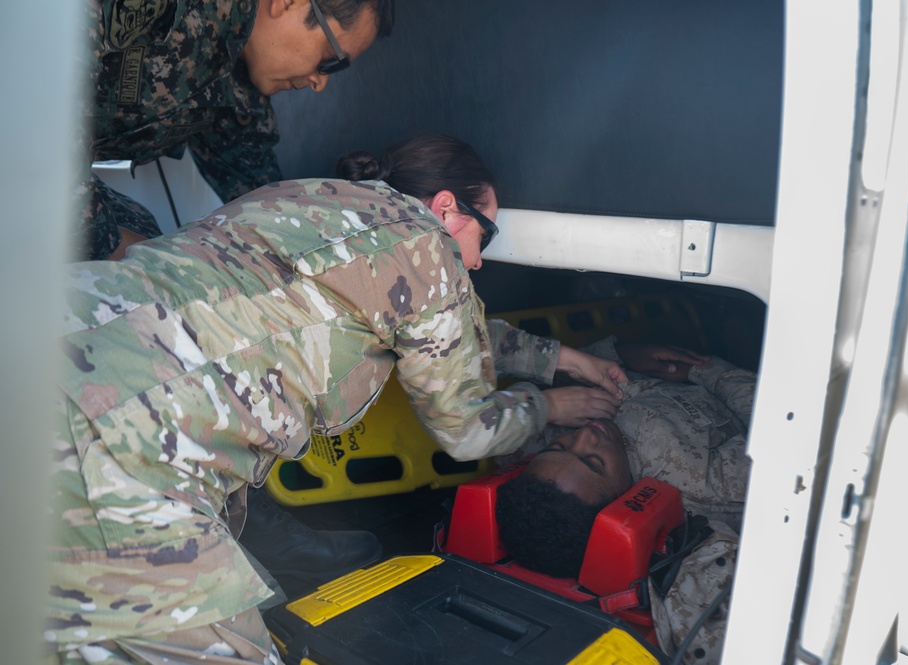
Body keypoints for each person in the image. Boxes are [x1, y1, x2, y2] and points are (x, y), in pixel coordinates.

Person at [48, 133, 627, 664]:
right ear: (448, 209)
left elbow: (438, 333)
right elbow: (467, 429)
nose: (477, 261)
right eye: (485, 235)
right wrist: (550, 407)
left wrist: (562, 360)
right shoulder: (428, 249)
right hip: (122, 450)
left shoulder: (306, 196)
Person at [495, 336, 757, 665]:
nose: (587, 434)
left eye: (558, 447)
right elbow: (779, 419)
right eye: (594, 462)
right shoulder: (705, 485)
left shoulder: (531, 450)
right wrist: (701, 370)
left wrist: (621, 354)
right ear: (619, 504)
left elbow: (535, 371)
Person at [77, 0, 395, 262]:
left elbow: (268, 209)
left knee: (142, 237)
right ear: (289, 4)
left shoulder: (241, 81)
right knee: (122, 248)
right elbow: (37, 91)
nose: (319, 82)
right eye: (329, 60)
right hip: (32, 129)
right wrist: (118, 252)